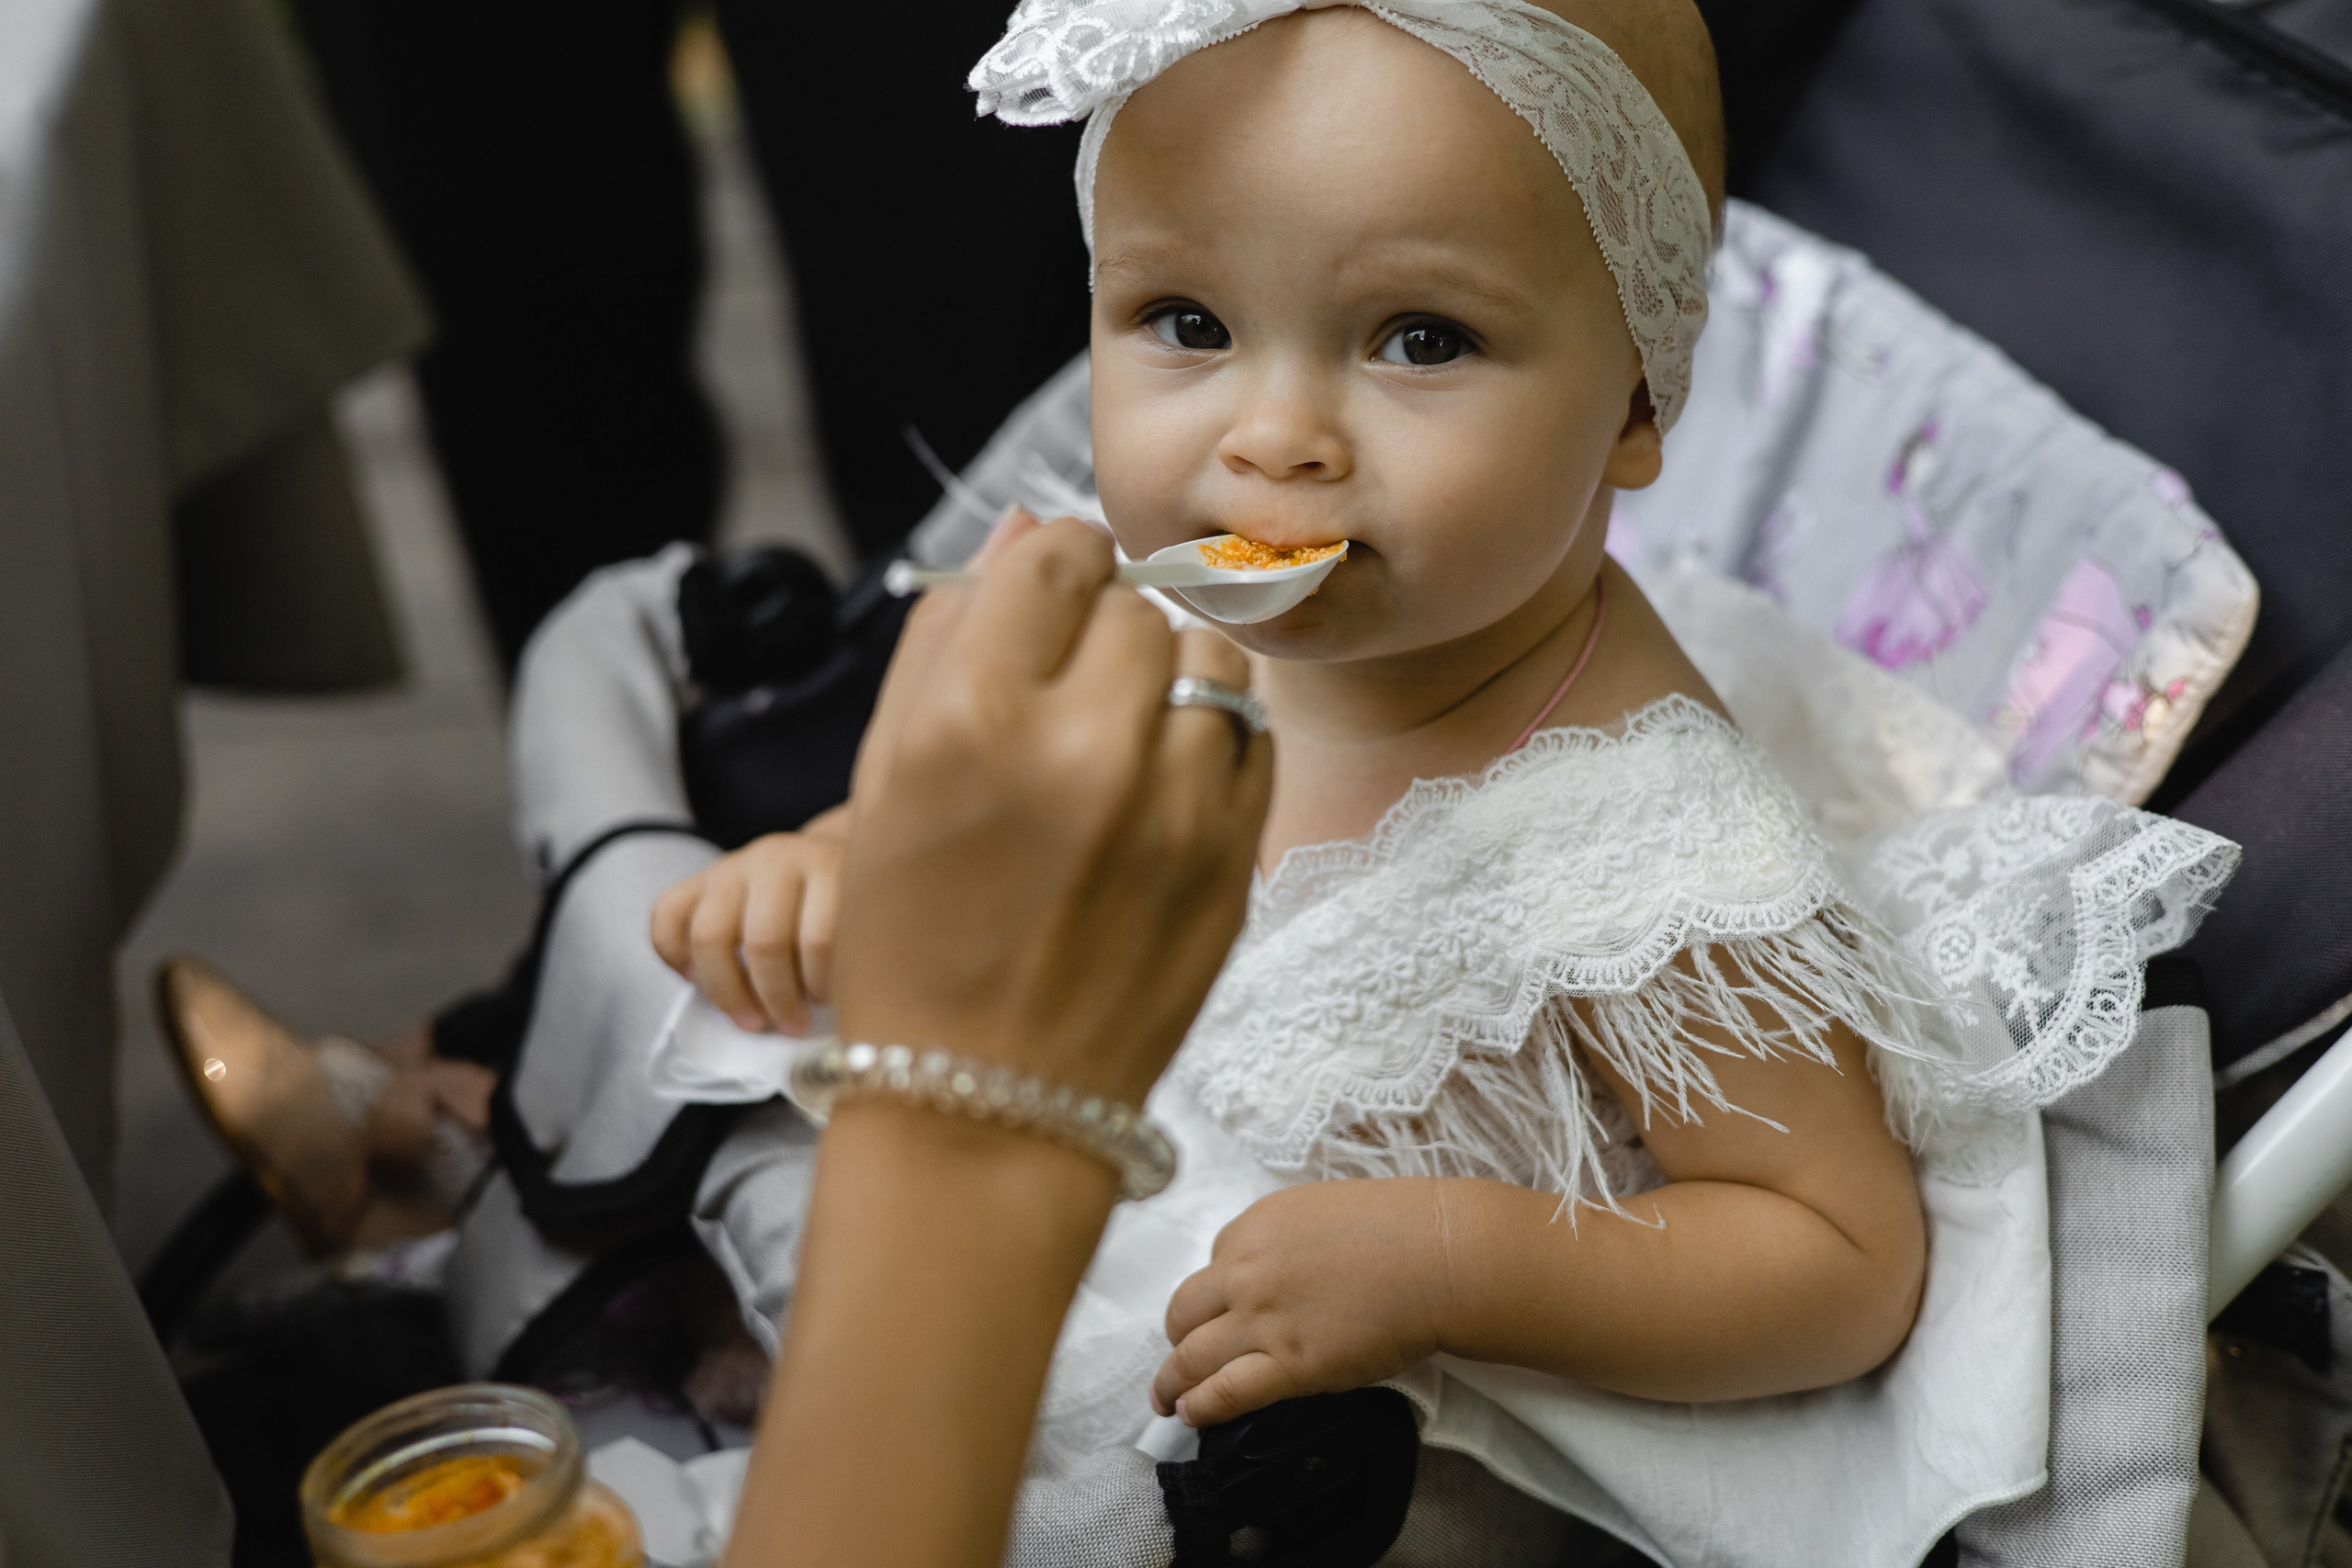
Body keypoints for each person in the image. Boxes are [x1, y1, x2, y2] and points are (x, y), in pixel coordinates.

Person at [162, 1, 2238, 1561]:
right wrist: (837, 859)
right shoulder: (1188, 612)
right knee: (679, 957)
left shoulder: (1636, 838)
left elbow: (1830, 1252)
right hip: (1001, 1160)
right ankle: (438, 1172)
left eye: (1415, 341)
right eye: (1180, 320)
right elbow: (1018, 864)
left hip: (1216, 1389)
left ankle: (465, 1242)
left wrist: (1449, 1256)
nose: (1271, 441)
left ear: (1635, 400)